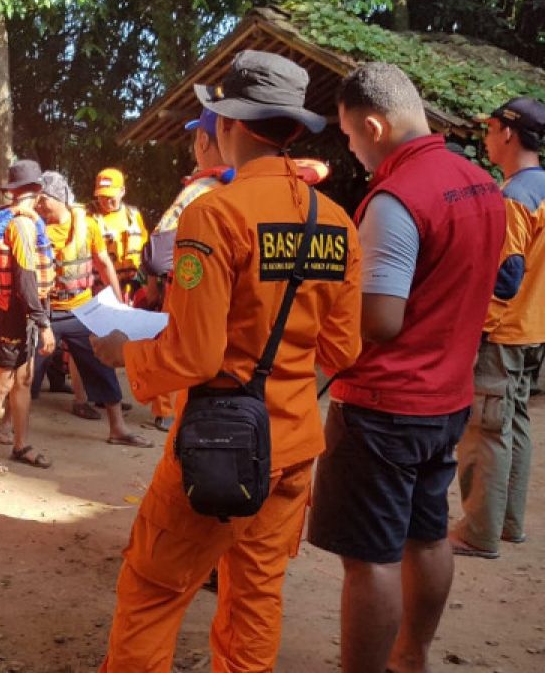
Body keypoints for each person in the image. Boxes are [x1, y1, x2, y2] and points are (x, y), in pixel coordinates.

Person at [92, 50, 362, 671]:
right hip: (292, 448)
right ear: (292, 130)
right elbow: (343, 350)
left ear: (232, 125)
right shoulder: (336, 221)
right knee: (255, 596)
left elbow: (194, 352)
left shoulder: (215, 215)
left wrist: (123, 351)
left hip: (216, 445)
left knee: (154, 591)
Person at [307, 62, 504, 673]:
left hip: (384, 407)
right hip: (446, 397)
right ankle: (410, 657)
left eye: (349, 135)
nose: (351, 149)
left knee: (370, 559)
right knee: (426, 534)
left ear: (373, 123)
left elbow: (380, 321)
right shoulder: (480, 183)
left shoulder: (395, 200)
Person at [450, 96, 545, 559]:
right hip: (534, 329)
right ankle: (508, 525)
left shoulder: (514, 198)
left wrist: (476, 330)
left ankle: (478, 532)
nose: (486, 138)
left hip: (503, 331)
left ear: (508, 133)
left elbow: (505, 275)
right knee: (516, 422)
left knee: (486, 429)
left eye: (489, 130)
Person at [32, 171, 151, 448]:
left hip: (81, 308)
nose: (38, 205)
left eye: (43, 199)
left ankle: (118, 429)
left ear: (57, 197)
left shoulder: (87, 226)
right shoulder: (34, 227)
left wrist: (119, 303)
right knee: (24, 373)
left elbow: (103, 263)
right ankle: (7, 426)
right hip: (44, 311)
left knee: (103, 364)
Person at [140, 109, 234, 432]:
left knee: (174, 344)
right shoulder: (264, 191)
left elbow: (157, 256)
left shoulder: (200, 190)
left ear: (204, 141)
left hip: (190, 290)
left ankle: (166, 411)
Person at [0, 160, 56, 475]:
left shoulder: (8, 218)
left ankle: (20, 445)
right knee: (2, 383)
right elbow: (24, 278)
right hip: (12, 313)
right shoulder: (20, 224)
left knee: (24, 379)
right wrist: (44, 322)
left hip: (21, 313)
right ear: (36, 191)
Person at [91, 167, 149, 299]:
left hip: (134, 288)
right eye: (102, 196)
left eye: (110, 196)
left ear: (122, 191)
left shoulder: (134, 216)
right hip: (102, 290)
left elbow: (146, 254)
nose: (105, 200)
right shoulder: (89, 218)